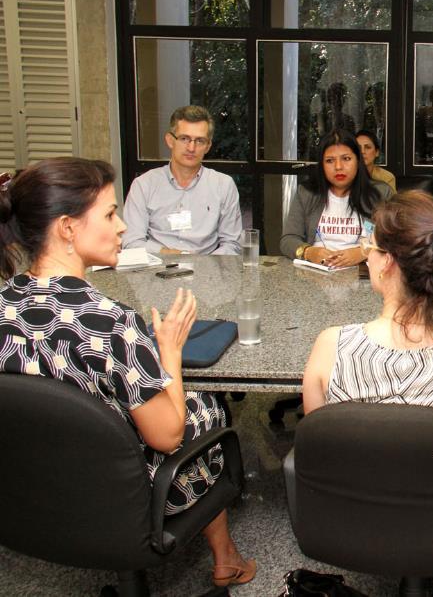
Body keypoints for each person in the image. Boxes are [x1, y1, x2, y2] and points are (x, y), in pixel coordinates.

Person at [0, 158, 256, 588]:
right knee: (205, 410)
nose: (122, 226)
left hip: (28, 488)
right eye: (109, 213)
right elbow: (166, 437)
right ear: (67, 227)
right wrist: (170, 351)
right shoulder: (111, 324)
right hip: (122, 497)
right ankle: (224, 555)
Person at [302, 190, 433, 435]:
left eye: (369, 246)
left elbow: (318, 449)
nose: (366, 256)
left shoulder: (331, 347)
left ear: (387, 261)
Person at [123, 105, 243, 255]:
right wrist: (168, 254)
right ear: (170, 140)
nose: (191, 148)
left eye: (199, 141)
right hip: (156, 269)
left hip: (207, 272)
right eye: (184, 138)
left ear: (208, 146)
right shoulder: (144, 185)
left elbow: (232, 244)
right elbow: (131, 242)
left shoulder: (223, 185)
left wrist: (205, 267)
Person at [280, 129, 392, 267]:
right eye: (330, 161)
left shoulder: (380, 193)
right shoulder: (307, 193)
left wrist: (363, 253)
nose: (338, 167)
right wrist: (308, 252)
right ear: (322, 165)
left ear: (358, 161)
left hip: (362, 274)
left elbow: (395, 240)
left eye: (346, 159)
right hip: (316, 274)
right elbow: (288, 239)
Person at [356, 128, 397, 193]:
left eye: (368, 147)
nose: (362, 151)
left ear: (377, 152)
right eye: (358, 148)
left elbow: (393, 202)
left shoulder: (387, 178)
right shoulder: (348, 175)